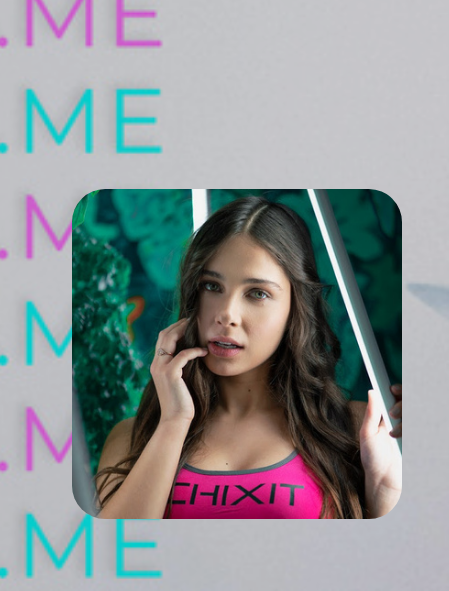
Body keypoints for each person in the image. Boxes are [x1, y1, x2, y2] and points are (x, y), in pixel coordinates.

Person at [93, 196, 403, 519]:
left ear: (295, 308)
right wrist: (173, 422)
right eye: (212, 286)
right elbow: (113, 549)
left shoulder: (360, 431)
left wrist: (385, 494)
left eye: (257, 293)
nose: (227, 314)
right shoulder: (133, 439)